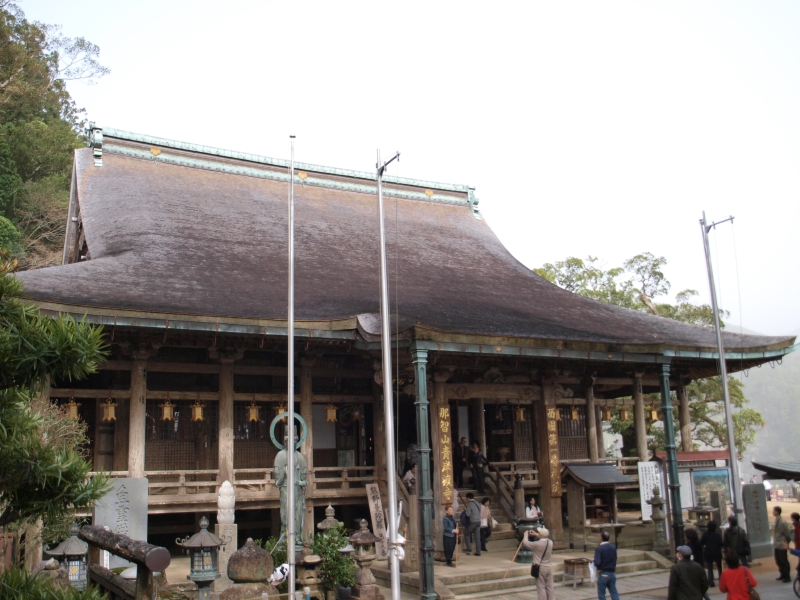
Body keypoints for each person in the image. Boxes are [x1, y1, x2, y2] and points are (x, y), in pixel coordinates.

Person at [523, 527, 554, 600]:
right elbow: (543, 537)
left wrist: (525, 535)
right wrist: (536, 534)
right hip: (549, 567)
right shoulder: (550, 542)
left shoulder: (537, 544)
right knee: (549, 587)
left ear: (540, 534)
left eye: (539, 532)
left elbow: (526, 543)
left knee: (541, 587)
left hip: (540, 568)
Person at [593, 530, 620, 600]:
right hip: (612, 573)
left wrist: (594, 563)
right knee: (614, 592)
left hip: (603, 573)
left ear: (601, 538)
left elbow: (597, 562)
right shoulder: (613, 547)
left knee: (602, 594)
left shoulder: (599, 549)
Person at [772, 505, 792, 582]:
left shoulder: (783, 522)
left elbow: (787, 534)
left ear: (777, 512)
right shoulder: (776, 520)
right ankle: (782, 574)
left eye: (774, 510)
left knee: (783, 560)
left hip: (782, 543)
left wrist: (786, 543)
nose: (773, 512)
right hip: (776, 544)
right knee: (778, 560)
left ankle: (787, 576)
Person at [701, 521, 723, 587]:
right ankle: (721, 581)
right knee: (719, 567)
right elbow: (721, 543)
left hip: (708, 552)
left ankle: (711, 582)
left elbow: (702, 542)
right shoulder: (717, 534)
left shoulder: (705, 534)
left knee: (710, 567)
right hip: (717, 552)